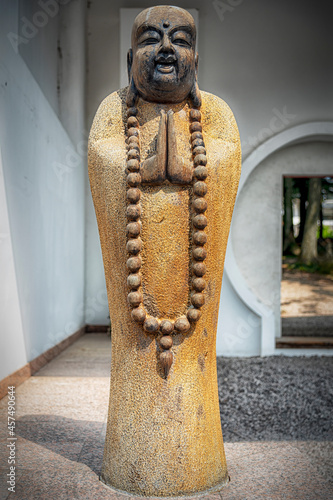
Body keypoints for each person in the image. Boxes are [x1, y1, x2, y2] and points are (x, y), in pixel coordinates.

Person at [88, 5, 241, 496]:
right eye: (152, 39)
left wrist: (189, 167)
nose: (167, 50)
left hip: (193, 269)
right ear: (131, 55)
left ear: (198, 58)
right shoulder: (115, 109)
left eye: (180, 40)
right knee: (135, 348)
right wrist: (145, 168)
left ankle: (198, 460)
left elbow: (225, 152)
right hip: (136, 273)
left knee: (194, 347)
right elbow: (102, 154)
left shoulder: (213, 111)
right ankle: (131, 459)